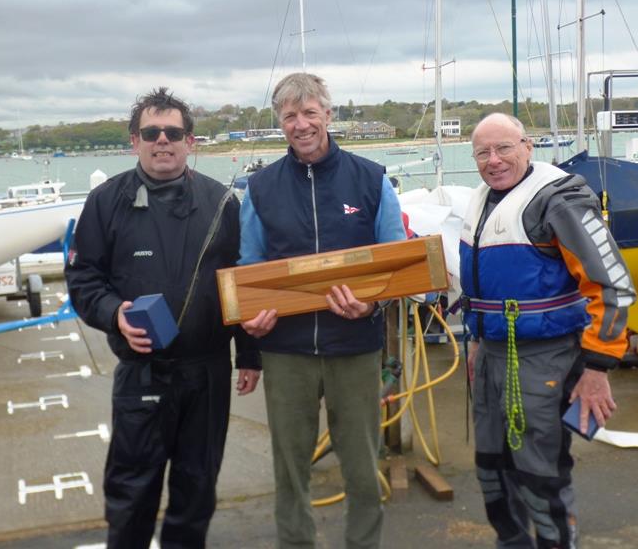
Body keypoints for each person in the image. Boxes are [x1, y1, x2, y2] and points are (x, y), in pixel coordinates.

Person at [65, 87, 261, 549]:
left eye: (173, 132)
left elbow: (241, 282)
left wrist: (249, 355)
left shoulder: (222, 204)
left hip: (207, 372)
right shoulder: (105, 202)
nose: (162, 141)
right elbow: (83, 279)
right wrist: (115, 314)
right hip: (142, 372)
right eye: (151, 132)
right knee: (132, 492)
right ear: (134, 141)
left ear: (190, 142)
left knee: (197, 492)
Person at [238, 72, 406, 549]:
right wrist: (253, 320)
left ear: (329, 116)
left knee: (361, 469)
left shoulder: (371, 179)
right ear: (280, 123)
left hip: (355, 347)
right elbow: (249, 268)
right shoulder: (261, 188)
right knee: (290, 471)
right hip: (286, 351)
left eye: (310, 112)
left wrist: (370, 302)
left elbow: (396, 261)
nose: (301, 124)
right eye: (290, 115)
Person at [460, 113, 636, 548]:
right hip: (492, 358)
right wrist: (477, 344)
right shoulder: (482, 200)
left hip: (545, 358)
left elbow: (614, 286)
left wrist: (597, 370)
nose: (494, 160)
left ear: (527, 146)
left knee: (541, 472)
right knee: (492, 467)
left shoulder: (559, 200)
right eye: (483, 152)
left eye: (504, 148)